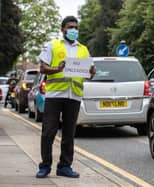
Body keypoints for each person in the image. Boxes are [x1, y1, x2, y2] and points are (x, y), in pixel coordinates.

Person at [36, 16, 95, 178]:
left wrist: (92, 73)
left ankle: (64, 166)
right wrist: (57, 68)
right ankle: (45, 166)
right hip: (55, 95)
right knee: (49, 131)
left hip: (74, 96)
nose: (73, 30)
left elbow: (89, 73)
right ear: (62, 29)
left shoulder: (83, 49)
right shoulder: (52, 45)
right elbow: (42, 68)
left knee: (69, 133)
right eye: (70, 27)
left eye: (76, 28)